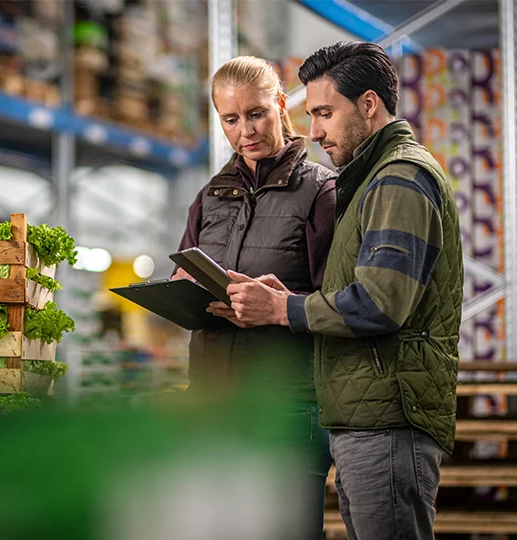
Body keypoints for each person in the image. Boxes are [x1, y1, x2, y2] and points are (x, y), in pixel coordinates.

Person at [209, 42, 463, 540]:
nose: (316, 131)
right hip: (364, 414)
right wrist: (290, 296)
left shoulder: (399, 179)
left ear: (369, 105)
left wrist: (286, 309)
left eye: (325, 113)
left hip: (387, 415)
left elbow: (380, 303)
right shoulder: (368, 179)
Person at [172, 55, 336, 539]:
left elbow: (339, 301)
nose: (246, 130)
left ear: (281, 106)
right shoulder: (209, 196)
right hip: (211, 398)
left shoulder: (321, 191)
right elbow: (185, 269)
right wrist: (184, 296)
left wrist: (278, 309)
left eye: (257, 113)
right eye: (230, 119)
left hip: (286, 402)